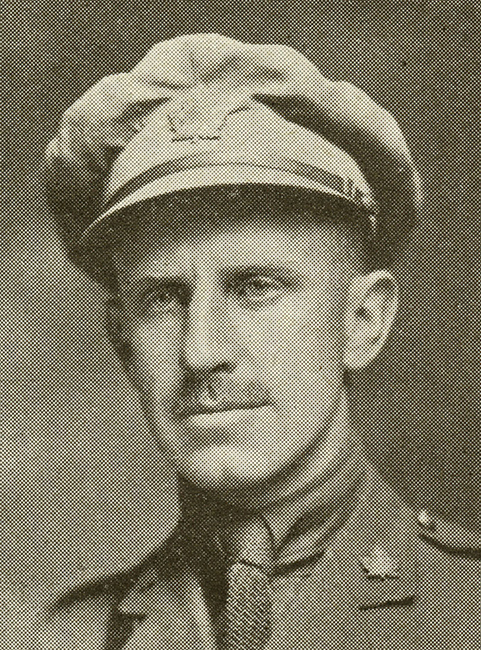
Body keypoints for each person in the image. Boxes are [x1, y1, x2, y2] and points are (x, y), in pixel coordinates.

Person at [35, 33, 480, 650]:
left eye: (256, 287)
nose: (200, 351)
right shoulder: (53, 637)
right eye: (162, 297)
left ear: (363, 322)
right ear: (118, 337)